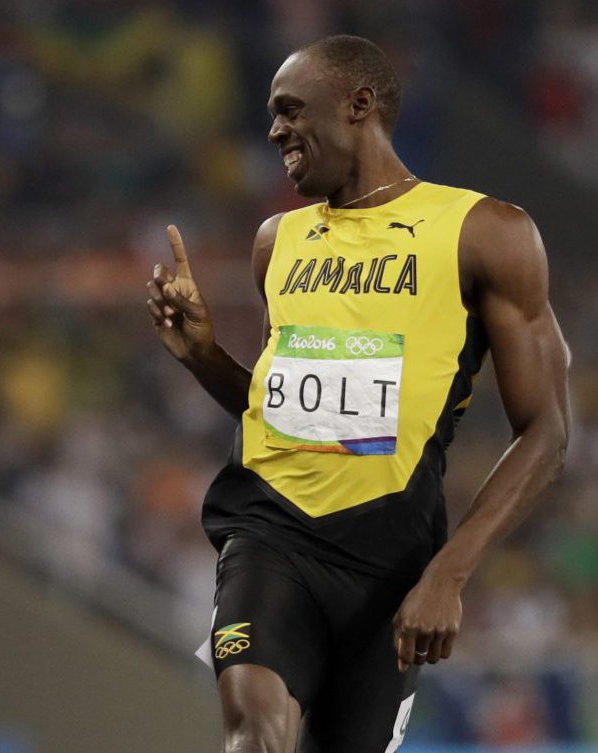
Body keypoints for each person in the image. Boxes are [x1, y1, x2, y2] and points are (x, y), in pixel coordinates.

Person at [146, 36, 569, 752]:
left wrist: (449, 573)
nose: (275, 128)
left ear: (359, 104)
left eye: (289, 109)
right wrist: (204, 357)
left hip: (392, 564)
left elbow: (547, 432)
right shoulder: (278, 242)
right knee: (253, 731)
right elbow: (291, 417)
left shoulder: (484, 233)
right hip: (270, 533)